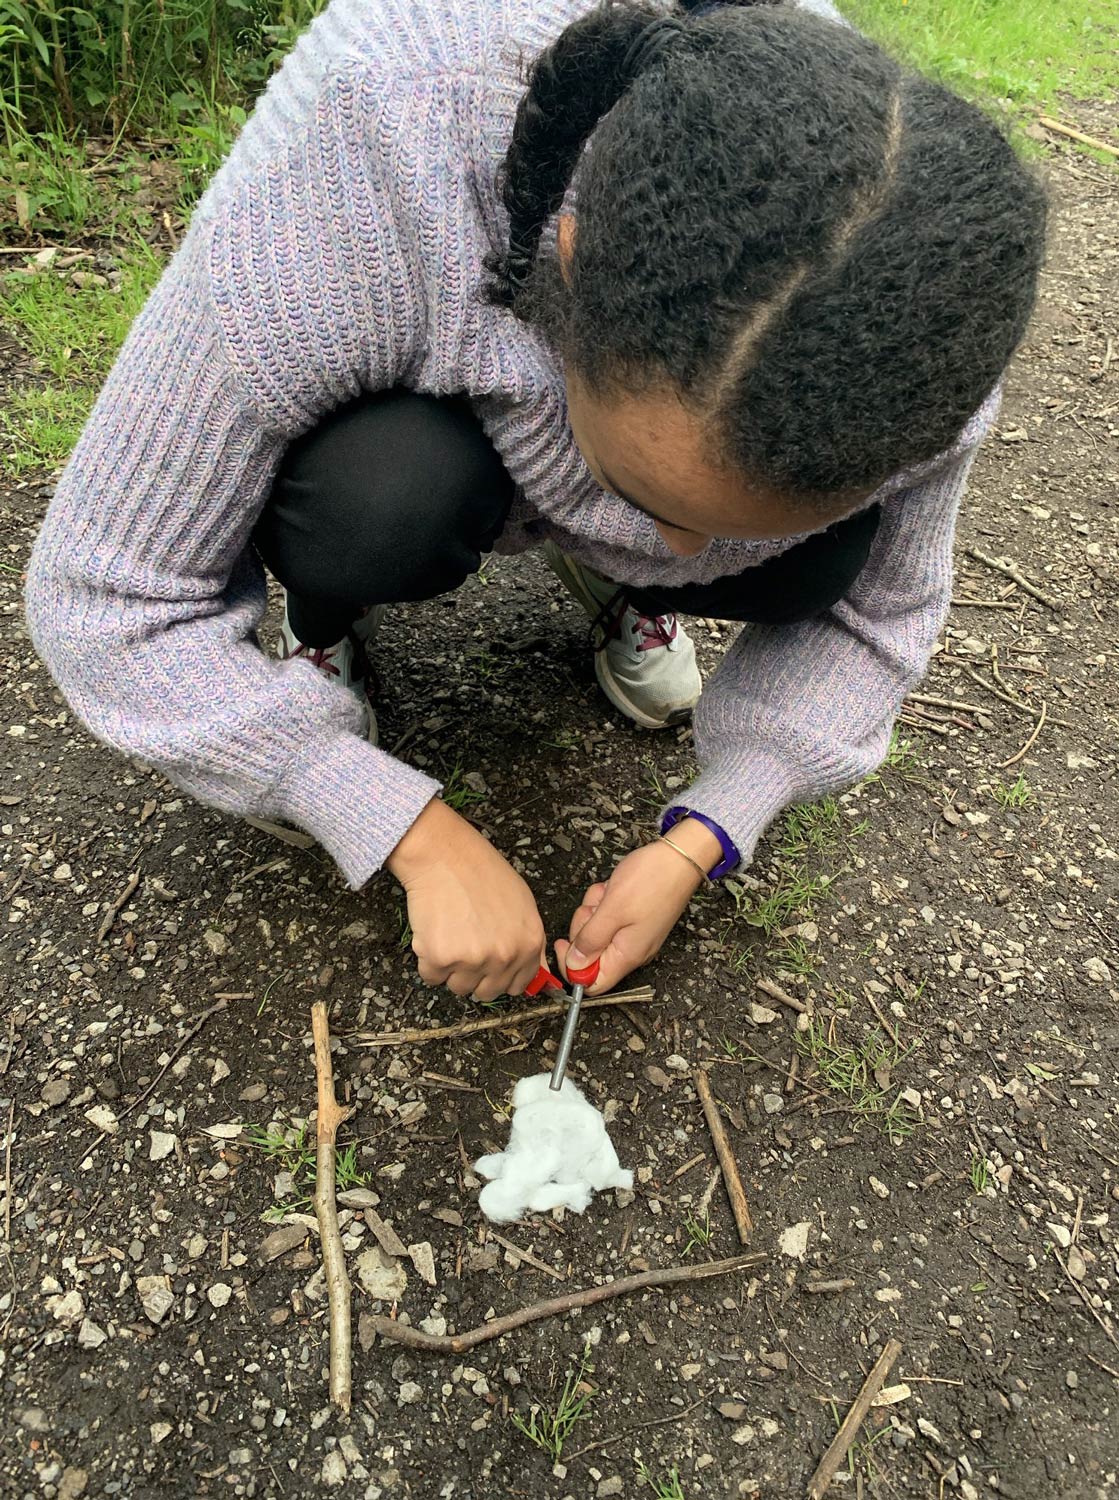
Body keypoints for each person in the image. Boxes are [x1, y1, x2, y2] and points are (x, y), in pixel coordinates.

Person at [25, 0, 1045, 1005]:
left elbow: (879, 617)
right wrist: (397, 823)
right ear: (566, 257)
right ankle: (322, 628)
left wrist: (707, 832)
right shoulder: (372, 140)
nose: (677, 551)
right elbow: (106, 597)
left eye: (721, 531)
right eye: (643, 494)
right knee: (378, 501)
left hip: (613, 403)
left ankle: (645, 551)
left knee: (827, 560)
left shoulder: (926, 307)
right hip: (420, 439)